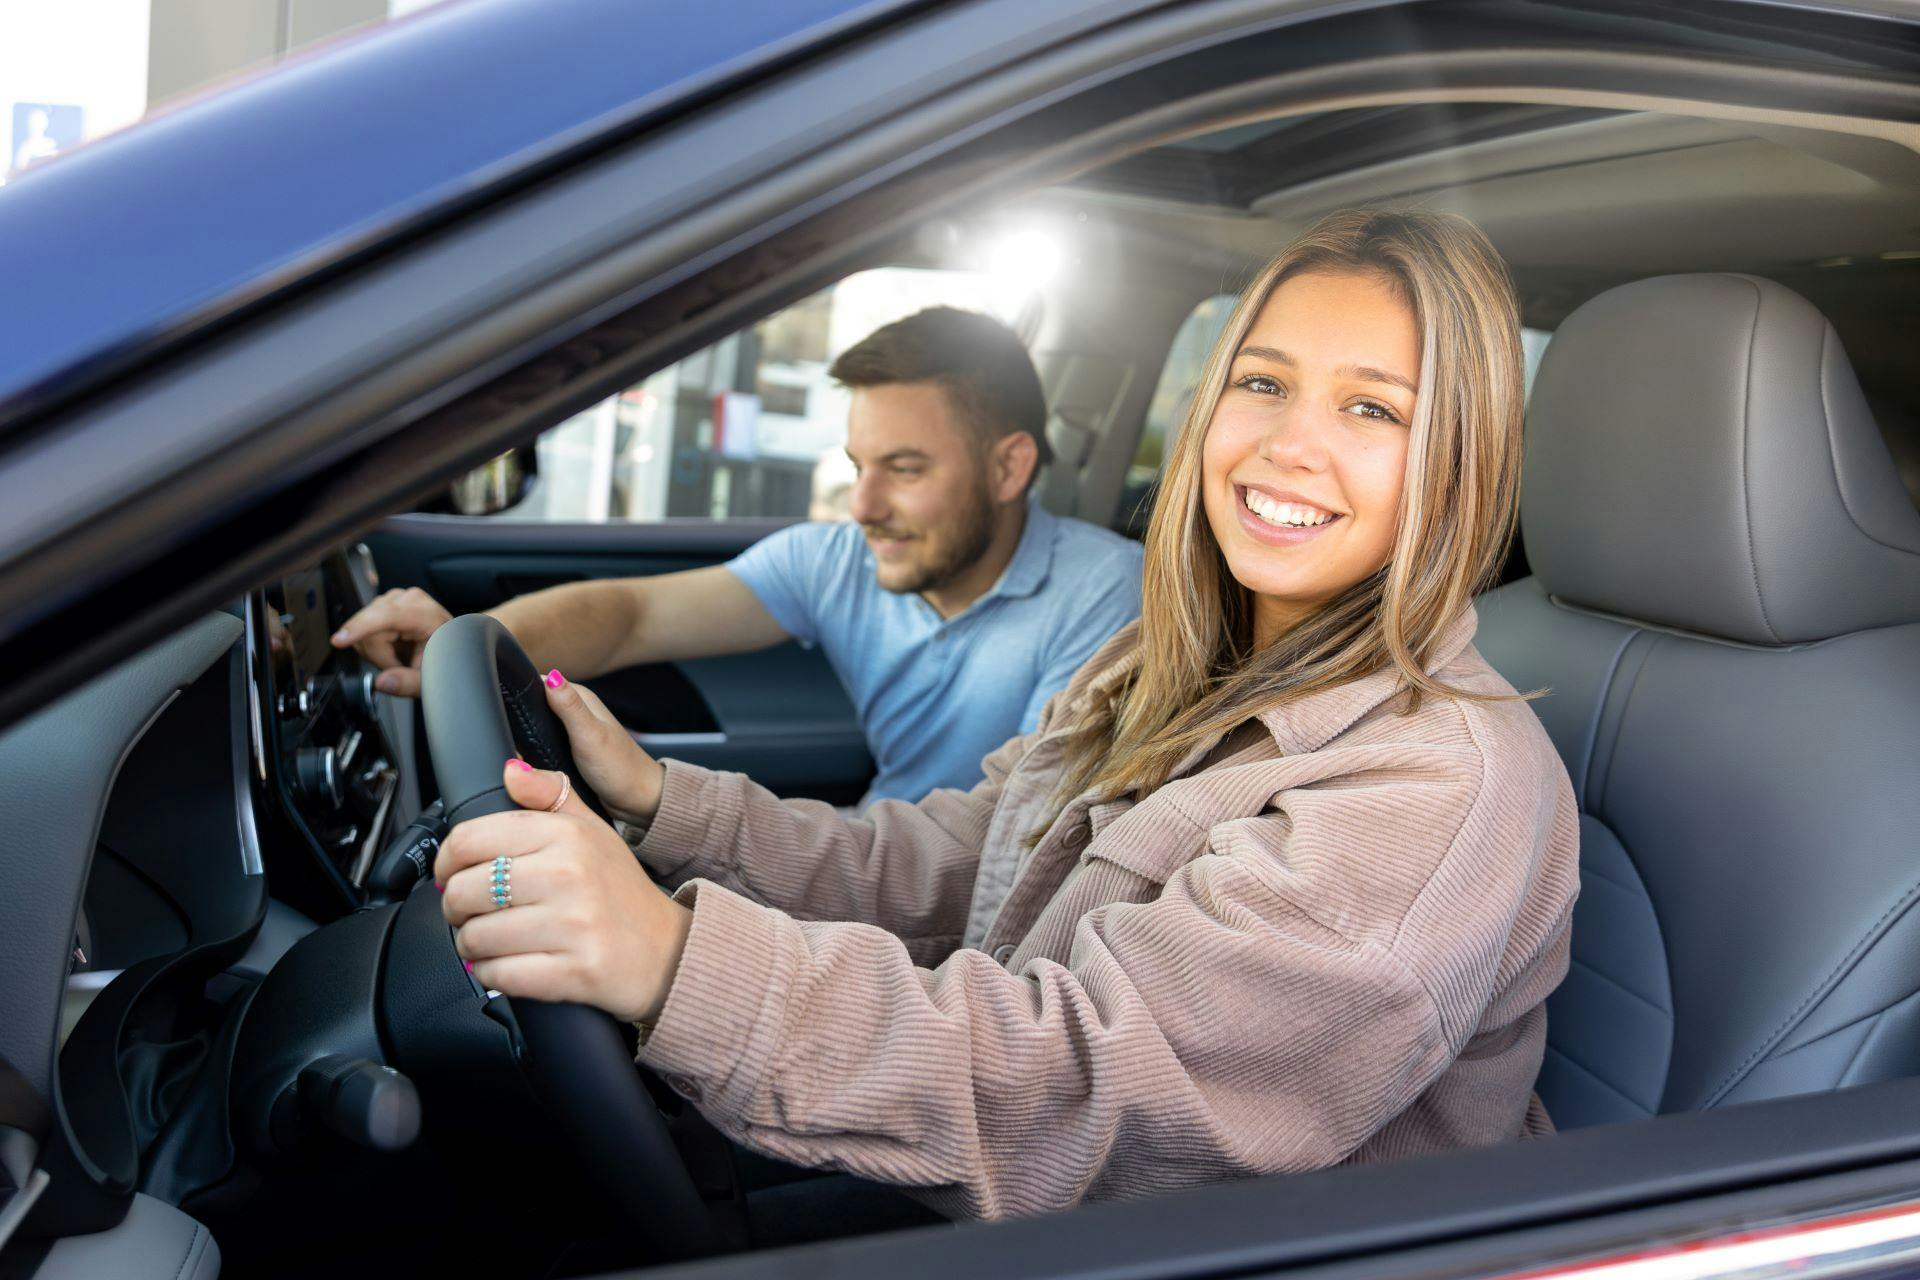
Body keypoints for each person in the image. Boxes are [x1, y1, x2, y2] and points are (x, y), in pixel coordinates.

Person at [432, 209, 1581, 1222]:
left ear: (1459, 464)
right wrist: (665, 802)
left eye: (1373, 407)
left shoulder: (1437, 783)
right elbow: (967, 858)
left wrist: (677, 959)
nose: (1289, 442)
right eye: (1263, 381)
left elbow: (1105, 1093)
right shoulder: (1168, 658)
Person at [332, 307, 1143, 806]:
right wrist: (467, 648)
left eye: (905, 469)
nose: (862, 507)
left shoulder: (1104, 596)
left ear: (1009, 468)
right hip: (871, 863)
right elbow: (631, 616)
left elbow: (1015, 831)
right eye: (859, 468)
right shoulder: (838, 562)